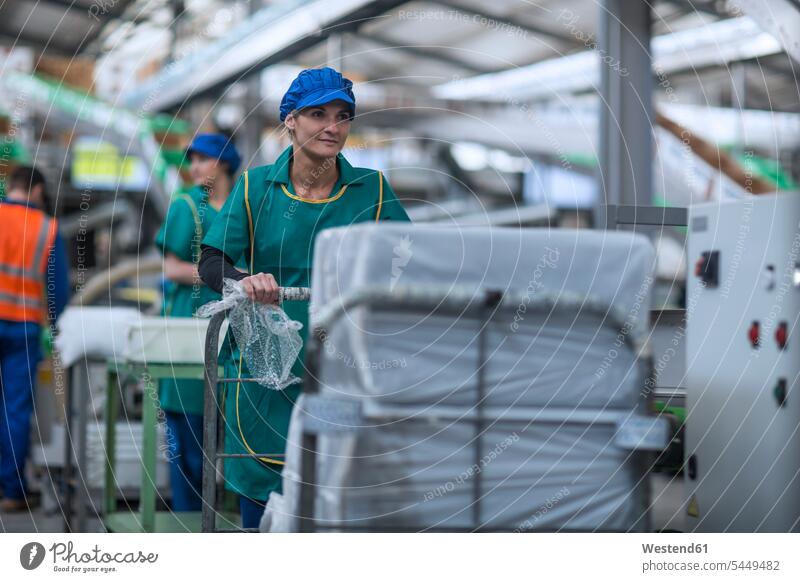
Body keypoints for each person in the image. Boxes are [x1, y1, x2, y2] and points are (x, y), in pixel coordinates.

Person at [198, 67, 410, 528]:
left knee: (338, 503)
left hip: (346, 368)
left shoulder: (372, 192)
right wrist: (245, 280)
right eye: (318, 114)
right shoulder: (255, 189)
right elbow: (211, 261)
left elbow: (411, 263)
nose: (333, 127)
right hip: (264, 371)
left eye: (343, 115)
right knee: (263, 499)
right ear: (290, 120)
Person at [154, 133, 241, 512]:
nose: (194, 168)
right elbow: (171, 267)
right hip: (189, 328)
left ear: (223, 162)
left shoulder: (243, 205)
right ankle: (189, 524)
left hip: (232, 329)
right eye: (191, 161)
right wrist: (228, 279)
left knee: (228, 432)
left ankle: (226, 518)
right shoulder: (187, 205)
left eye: (202, 160)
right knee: (188, 436)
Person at [0, 166, 68, 512]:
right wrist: (56, 331)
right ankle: (12, 492)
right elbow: (57, 291)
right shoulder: (46, 227)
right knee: (14, 410)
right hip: (22, 328)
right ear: (38, 190)